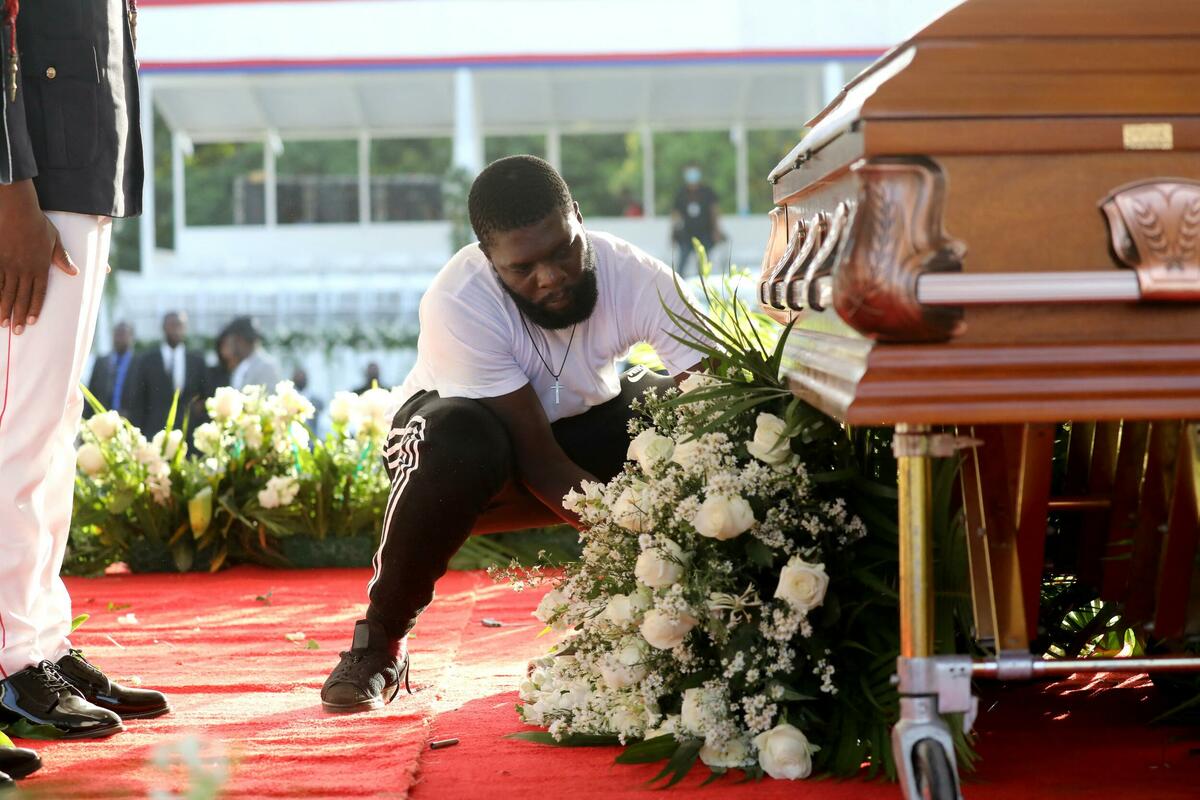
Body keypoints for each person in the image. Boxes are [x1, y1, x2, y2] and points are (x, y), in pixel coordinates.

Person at [320, 155, 705, 713]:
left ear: (577, 217)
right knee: (460, 434)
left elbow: (715, 393)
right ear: (488, 256)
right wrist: (639, 544)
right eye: (523, 268)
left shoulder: (638, 276)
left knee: (676, 409)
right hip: (461, 465)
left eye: (562, 250)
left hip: (574, 439)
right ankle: (380, 641)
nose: (550, 277)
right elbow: (538, 460)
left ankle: (667, 617)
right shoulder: (460, 298)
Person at [0, 0, 170, 779]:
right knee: (18, 433)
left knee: (50, 428)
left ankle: (39, 642)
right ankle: (12, 660)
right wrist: (10, 190)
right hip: (31, 184)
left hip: (77, 176)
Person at [124, 311, 206, 435]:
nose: (176, 329)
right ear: (163, 327)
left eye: (179, 325)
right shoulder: (147, 360)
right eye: (172, 324)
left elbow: (204, 396)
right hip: (154, 433)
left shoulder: (197, 361)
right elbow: (138, 401)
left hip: (188, 434)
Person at [670, 162, 724, 276]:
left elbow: (714, 211)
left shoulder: (707, 192)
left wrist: (716, 230)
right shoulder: (681, 193)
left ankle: (702, 282)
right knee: (682, 263)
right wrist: (673, 233)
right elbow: (675, 215)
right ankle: (678, 283)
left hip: (705, 233)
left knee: (703, 262)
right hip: (686, 234)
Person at [84, 321, 136, 419]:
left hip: (131, 420)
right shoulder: (101, 362)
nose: (119, 338)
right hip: (104, 418)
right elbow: (91, 392)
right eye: (117, 334)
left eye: (123, 334)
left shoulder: (139, 363)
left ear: (131, 337)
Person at [223, 316, 282, 390]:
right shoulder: (241, 365)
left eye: (232, 340)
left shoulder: (267, 366)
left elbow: (269, 395)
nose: (230, 345)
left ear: (239, 340)